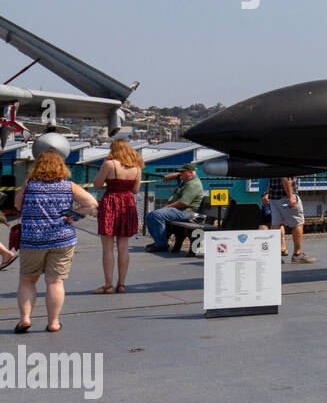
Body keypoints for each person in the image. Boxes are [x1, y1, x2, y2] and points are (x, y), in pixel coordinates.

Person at [14, 150, 97, 333]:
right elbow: (91, 203)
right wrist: (72, 216)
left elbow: (18, 204)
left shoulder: (29, 185)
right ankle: (53, 322)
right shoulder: (69, 186)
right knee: (55, 282)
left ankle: (25, 319)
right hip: (62, 239)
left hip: (32, 240)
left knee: (28, 280)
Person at [90, 138, 143, 293]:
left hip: (111, 202)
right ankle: (121, 284)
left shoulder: (109, 164)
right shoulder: (137, 168)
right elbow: (135, 190)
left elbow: (96, 185)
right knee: (123, 247)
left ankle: (108, 285)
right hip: (128, 203)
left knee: (107, 248)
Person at [144, 163, 204, 251]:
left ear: (190, 173)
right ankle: (158, 241)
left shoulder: (192, 184)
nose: (180, 175)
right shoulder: (187, 180)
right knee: (149, 216)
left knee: (157, 215)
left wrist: (165, 207)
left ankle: (161, 245)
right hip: (179, 210)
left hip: (186, 212)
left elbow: (183, 203)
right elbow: (181, 175)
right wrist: (173, 176)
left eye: (182, 172)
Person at [267, 175, 315, 264]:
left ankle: (271, 254)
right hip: (285, 196)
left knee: (276, 224)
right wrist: (290, 196)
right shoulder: (287, 161)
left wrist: (267, 192)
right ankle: (297, 254)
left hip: (273, 196)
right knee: (298, 222)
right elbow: (285, 176)